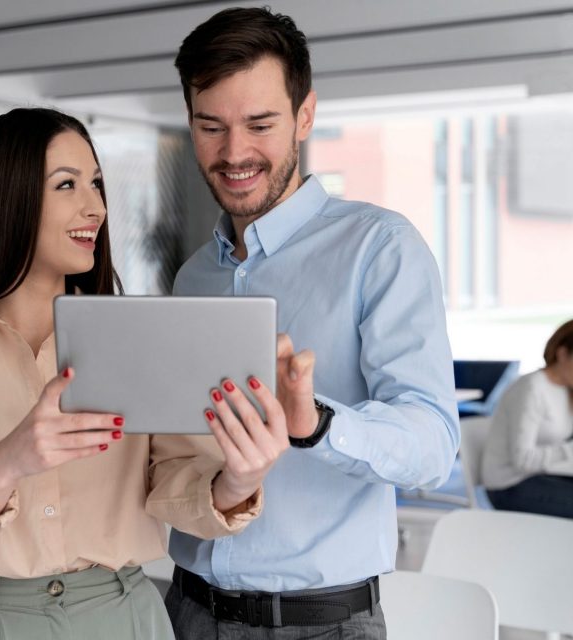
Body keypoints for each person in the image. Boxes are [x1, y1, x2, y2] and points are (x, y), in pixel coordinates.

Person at [0, 107, 291, 639]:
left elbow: (175, 482)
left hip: (126, 618)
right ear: (3, 199)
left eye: (96, 184)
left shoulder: (137, 338)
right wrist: (4, 466)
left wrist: (238, 480)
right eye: (67, 185)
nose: (96, 207)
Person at [165, 7, 460, 638]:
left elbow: (435, 444)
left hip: (319, 625)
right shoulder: (193, 278)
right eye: (210, 126)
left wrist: (318, 425)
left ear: (305, 115)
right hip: (185, 612)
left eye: (260, 124)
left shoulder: (379, 248)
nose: (233, 152)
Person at [482, 319, 573, 518]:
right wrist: (568, 452)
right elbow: (522, 460)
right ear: (563, 353)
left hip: (543, 476)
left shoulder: (567, 390)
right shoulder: (531, 388)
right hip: (509, 485)